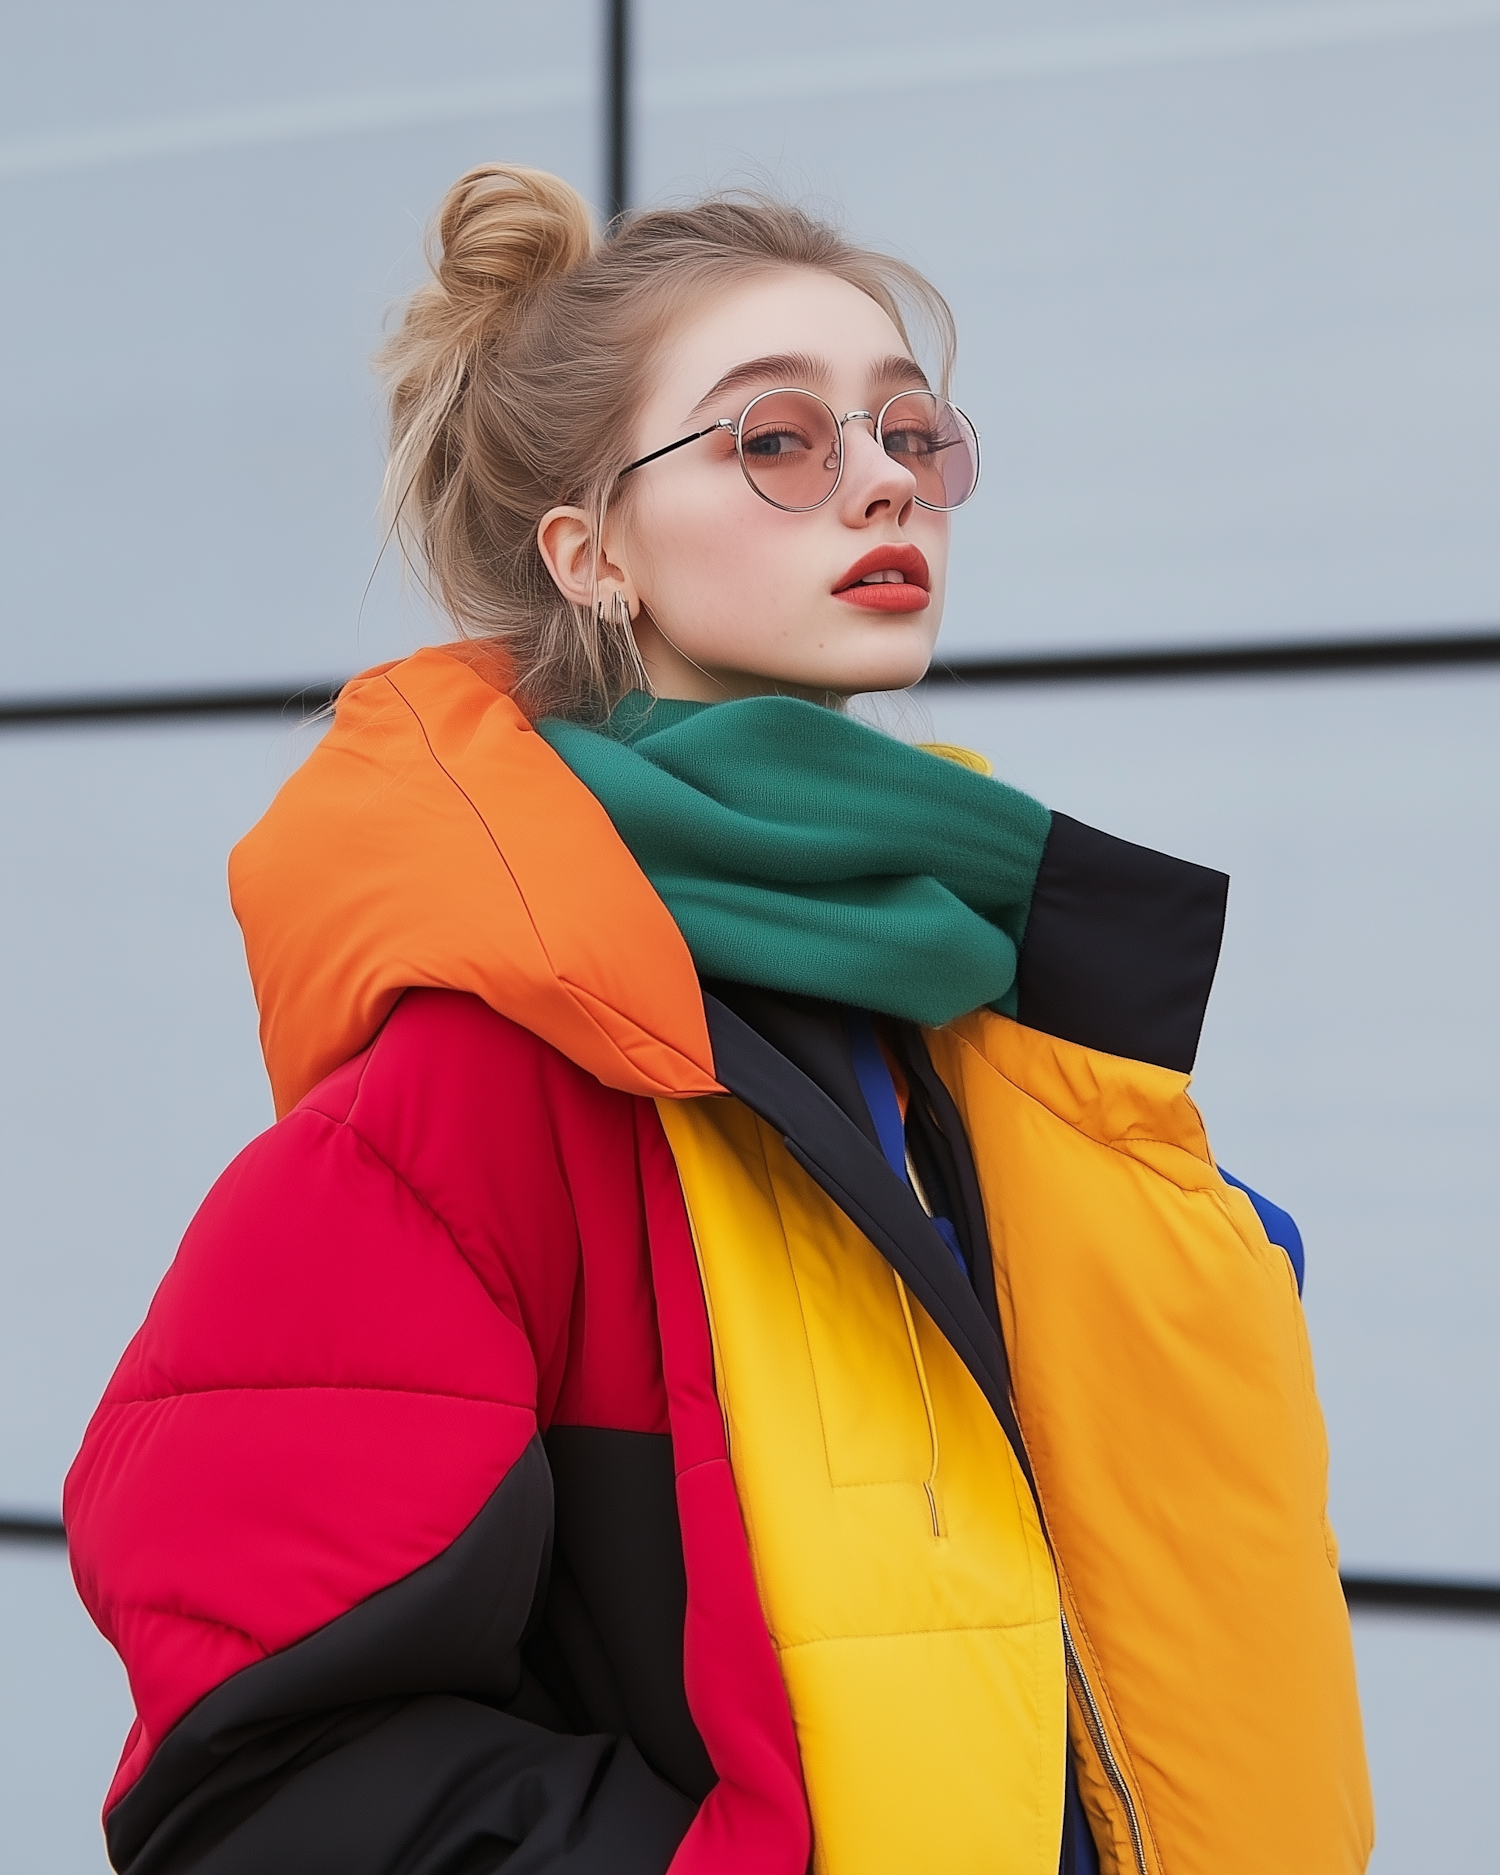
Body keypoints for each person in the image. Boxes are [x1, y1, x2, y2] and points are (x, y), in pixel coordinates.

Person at [65, 166, 1372, 1875]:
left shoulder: (991, 1013)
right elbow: (262, 1778)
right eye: (779, 440)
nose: (883, 480)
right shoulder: (476, 1077)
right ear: (591, 550)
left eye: (911, 432)